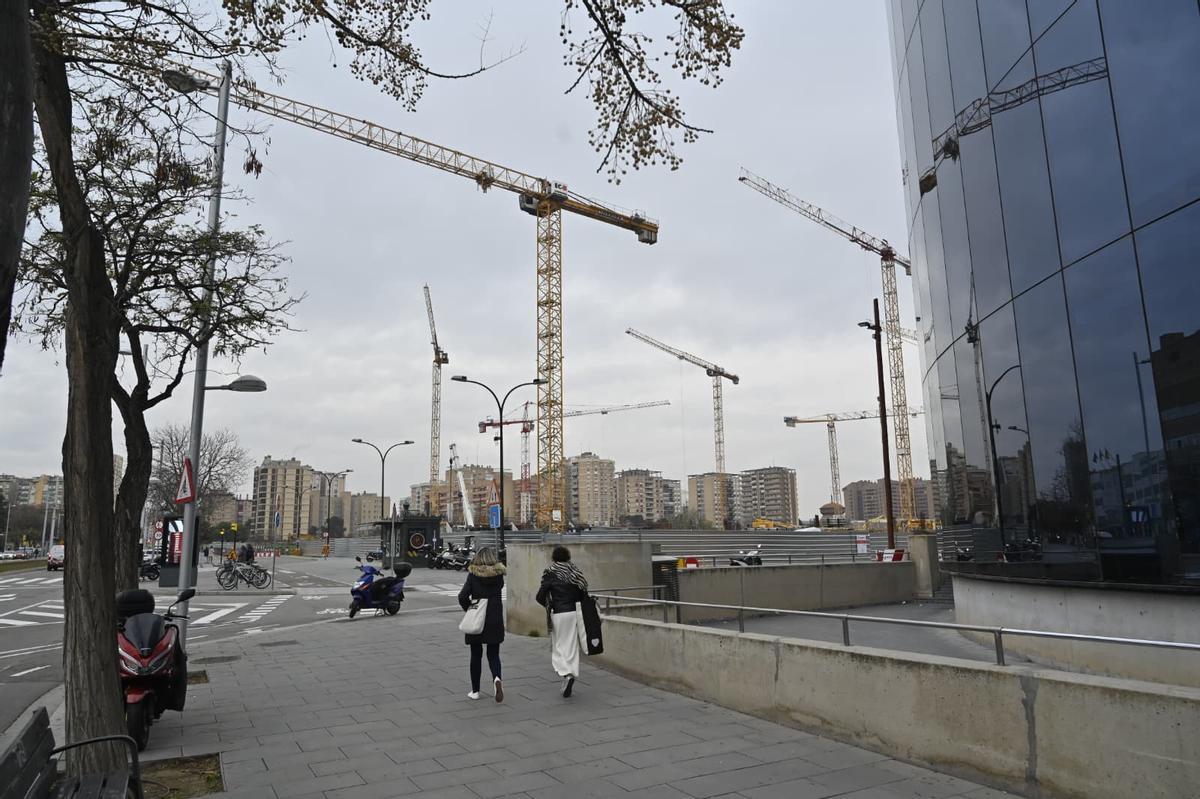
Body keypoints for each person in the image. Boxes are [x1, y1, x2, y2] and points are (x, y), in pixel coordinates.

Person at [536, 545, 588, 698]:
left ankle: (566, 673)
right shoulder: (575, 572)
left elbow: (540, 596)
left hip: (558, 613)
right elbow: (583, 593)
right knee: (571, 646)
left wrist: (549, 605)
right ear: (568, 557)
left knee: (558, 646)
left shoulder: (550, 573)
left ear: (554, 558)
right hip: (574, 613)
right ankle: (571, 673)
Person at [457, 546, 505, 702]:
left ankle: (475, 691)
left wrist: (469, 609)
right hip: (495, 618)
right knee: (493, 654)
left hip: (477, 617)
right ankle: (497, 679)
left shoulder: (473, 575)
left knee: (475, 655)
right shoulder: (499, 575)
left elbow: (462, 596)